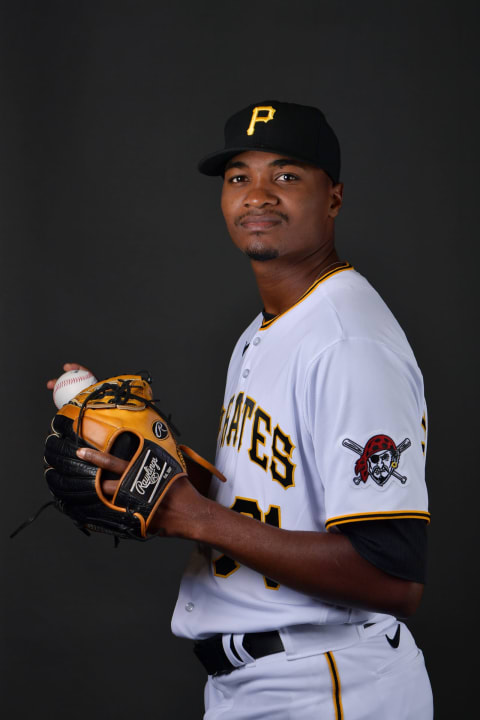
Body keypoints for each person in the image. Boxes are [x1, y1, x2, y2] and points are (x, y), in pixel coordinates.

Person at [48, 101, 433, 719]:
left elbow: (392, 575)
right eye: (238, 177)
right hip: (261, 684)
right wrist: (155, 470)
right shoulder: (267, 327)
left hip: (330, 684)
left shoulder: (347, 341)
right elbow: (275, 497)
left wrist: (190, 514)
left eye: (285, 176)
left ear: (333, 197)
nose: (257, 195)